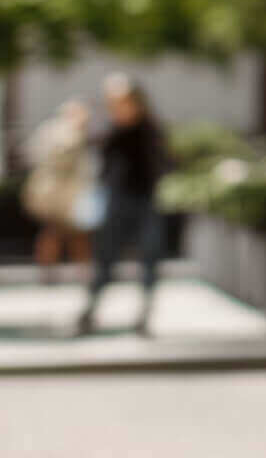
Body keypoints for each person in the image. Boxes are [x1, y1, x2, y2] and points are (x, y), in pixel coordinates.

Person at [74, 72, 171, 337]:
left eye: (123, 101)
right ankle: (90, 310)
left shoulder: (149, 129)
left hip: (145, 201)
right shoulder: (111, 131)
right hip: (116, 201)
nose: (118, 107)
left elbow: (165, 162)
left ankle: (144, 314)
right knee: (105, 258)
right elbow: (94, 158)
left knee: (149, 257)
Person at [20, 97, 96, 283]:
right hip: (58, 194)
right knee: (61, 231)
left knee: (65, 232)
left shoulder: (52, 130)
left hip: (60, 193)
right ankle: (66, 271)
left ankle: (63, 271)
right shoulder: (67, 132)